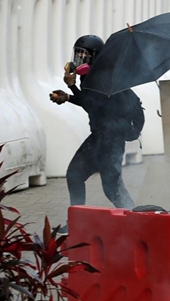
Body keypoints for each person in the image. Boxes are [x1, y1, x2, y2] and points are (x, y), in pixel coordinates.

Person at [49, 34, 142, 209]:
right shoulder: (90, 75)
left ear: (95, 56)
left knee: (112, 188)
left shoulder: (102, 76)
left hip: (112, 140)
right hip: (99, 136)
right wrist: (68, 97)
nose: (79, 59)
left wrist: (71, 87)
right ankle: (77, 219)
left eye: (83, 55)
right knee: (75, 175)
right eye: (77, 54)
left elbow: (92, 105)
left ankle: (136, 218)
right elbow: (93, 102)